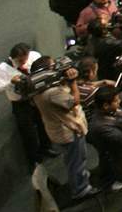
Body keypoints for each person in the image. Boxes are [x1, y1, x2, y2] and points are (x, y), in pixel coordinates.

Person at [30, 56, 92, 201]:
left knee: (72, 159)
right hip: (69, 131)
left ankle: (80, 182)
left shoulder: (38, 89)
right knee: (77, 161)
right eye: (53, 66)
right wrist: (73, 82)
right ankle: (81, 189)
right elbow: (74, 101)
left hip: (57, 129)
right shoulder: (52, 93)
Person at [0, 43, 52, 170]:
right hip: (20, 103)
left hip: (35, 97)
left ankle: (46, 147)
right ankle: (34, 160)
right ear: (14, 58)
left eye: (25, 59)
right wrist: (10, 82)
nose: (24, 62)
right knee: (28, 133)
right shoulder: (3, 69)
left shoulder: (34, 56)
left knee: (43, 122)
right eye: (20, 60)